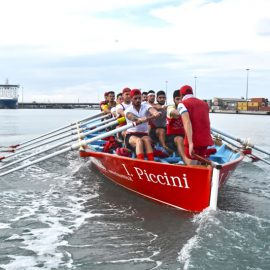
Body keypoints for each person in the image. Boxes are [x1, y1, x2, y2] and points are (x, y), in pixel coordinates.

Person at [172, 85, 213, 163]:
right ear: (192, 92)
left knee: (191, 165)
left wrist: (191, 143)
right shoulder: (204, 104)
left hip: (194, 140)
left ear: (181, 95)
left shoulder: (182, 104)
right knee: (198, 163)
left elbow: (187, 123)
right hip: (205, 140)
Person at [124, 89, 161, 161]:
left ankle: (151, 162)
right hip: (131, 135)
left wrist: (155, 113)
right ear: (131, 99)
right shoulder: (128, 110)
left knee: (147, 139)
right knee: (139, 141)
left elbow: (153, 110)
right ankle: (140, 162)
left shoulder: (145, 106)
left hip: (144, 134)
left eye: (139, 98)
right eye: (135, 98)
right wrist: (138, 119)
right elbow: (131, 117)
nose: (138, 100)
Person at [166, 90, 191, 164]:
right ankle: (187, 163)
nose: (180, 101)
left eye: (181, 99)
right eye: (177, 99)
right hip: (170, 138)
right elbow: (175, 113)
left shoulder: (187, 107)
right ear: (173, 100)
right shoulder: (170, 108)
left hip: (184, 135)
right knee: (179, 139)